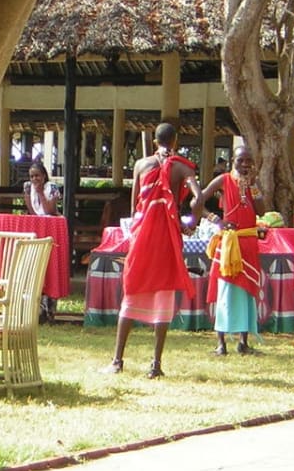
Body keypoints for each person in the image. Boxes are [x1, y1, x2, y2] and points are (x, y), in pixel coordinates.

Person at [103, 123, 205, 379]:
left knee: (133, 290)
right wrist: (191, 223)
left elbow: (135, 206)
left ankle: (117, 361)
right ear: (176, 140)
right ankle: (155, 364)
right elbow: (199, 196)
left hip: (143, 236)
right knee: (164, 296)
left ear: (156, 140)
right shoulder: (183, 167)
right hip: (168, 237)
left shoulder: (140, 164)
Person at [201, 145, 267, 356]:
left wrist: (254, 186)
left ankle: (243, 343)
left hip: (248, 242)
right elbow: (197, 202)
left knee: (248, 291)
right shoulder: (223, 180)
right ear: (233, 162)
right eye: (241, 160)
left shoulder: (252, 185)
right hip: (229, 244)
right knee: (225, 291)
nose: (245, 165)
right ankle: (221, 343)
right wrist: (216, 220)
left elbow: (263, 210)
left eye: (249, 161)